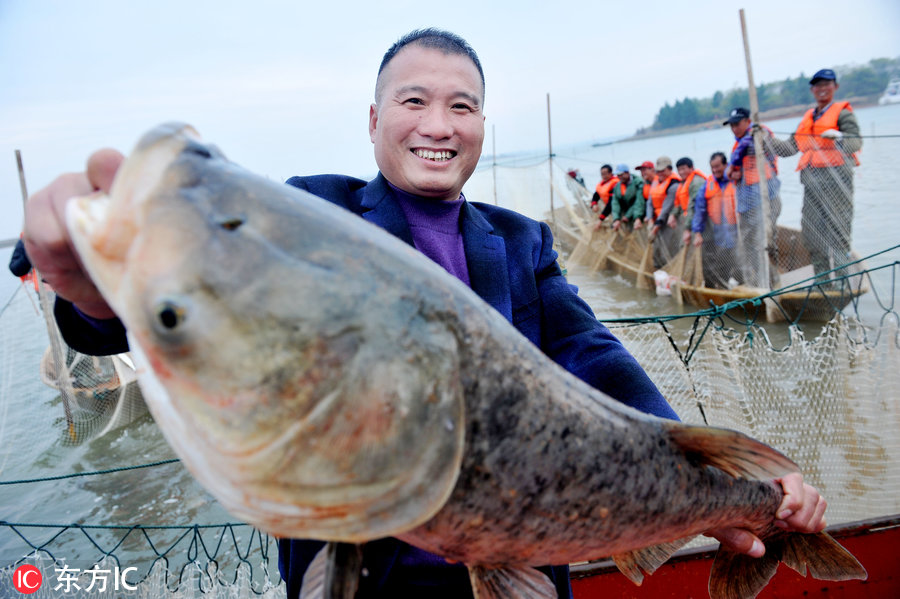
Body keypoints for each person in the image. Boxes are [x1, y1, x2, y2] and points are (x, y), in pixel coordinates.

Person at [21, 28, 828, 599]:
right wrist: (94, 293)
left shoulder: (523, 241)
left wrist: (724, 488)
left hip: (522, 563)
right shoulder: (310, 211)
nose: (438, 125)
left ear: (481, 127)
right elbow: (174, 308)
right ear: (373, 121)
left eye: (462, 107)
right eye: (414, 101)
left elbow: (591, 353)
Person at [770, 69, 862, 280]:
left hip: (837, 185)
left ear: (835, 87)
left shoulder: (842, 114)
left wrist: (839, 137)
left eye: (826, 85)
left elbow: (855, 142)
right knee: (812, 235)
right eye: (818, 86)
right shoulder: (808, 118)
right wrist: (766, 138)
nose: (822, 89)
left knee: (838, 234)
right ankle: (822, 282)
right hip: (812, 188)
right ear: (812, 90)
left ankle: (840, 283)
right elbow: (788, 149)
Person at [723, 107, 783, 288]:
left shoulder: (759, 136)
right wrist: (732, 174)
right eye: (731, 125)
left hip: (767, 199)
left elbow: (777, 149)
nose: (734, 128)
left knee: (765, 241)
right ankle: (759, 279)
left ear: (748, 121)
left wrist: (762, 137)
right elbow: (729, 171)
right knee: (750, 244)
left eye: (737, 124)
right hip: (747, 203)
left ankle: (774, 280)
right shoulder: (738, 143)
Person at [691, 152, 741, 289]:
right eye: (712, 167)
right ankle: (723, 289)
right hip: (720, 233)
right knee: (722, 265)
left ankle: (747, 287)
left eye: (718, 166)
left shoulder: (736, 177)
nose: (715, 170)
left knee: (741, 263)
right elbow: (700, 210)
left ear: (725, 164)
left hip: (739, 230)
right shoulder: (708, 185)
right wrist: (697, 232)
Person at [647, 156, 682, 266]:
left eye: (663, 170)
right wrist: (649, 220)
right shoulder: (655, 181)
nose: (660, 173)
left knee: (668, 250)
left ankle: (671, 273)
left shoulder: (674, 184)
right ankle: (658, 273)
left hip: (668, 221)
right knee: (656, 250)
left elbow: (666, 208)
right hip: (657, 221)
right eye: (658, 171)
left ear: (670, 169)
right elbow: (650, 201)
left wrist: (655, 229)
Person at [673, 157, 706, 246]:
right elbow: (681, 203)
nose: (681, 172)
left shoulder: (696, 182)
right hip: (690, 220)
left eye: (683, 169)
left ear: (691, 168)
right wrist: (673, 214)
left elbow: (694, 206)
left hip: (699, 222)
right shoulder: (684, 182)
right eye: (679, 170)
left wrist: (687, 229)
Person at [609, 163, 644, 232]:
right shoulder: (617, 186)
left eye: (621, 174)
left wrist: (628, 215)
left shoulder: (638, 183)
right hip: (625, 216)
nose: (620, 177)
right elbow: (615, 202)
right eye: (618, 175)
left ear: (627, 173)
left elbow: (639, 201)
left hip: (638, 214)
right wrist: (616, 218)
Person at [634, 160, 655, 230]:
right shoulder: (644, 185)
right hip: (651, 216)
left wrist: (650, 216)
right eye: (641, 171)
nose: (642, 173)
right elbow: (640, 203)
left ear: (652, 170)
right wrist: (638, 218)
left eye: (644, 170)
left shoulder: (660, 181)